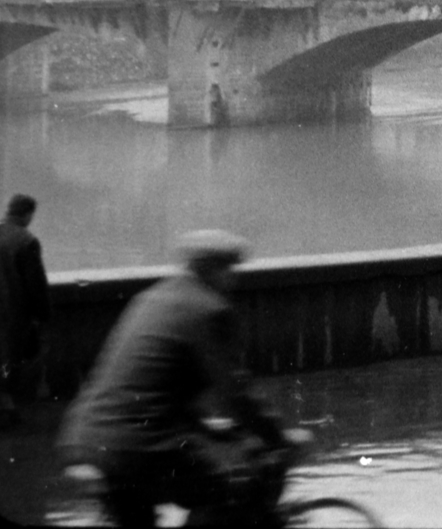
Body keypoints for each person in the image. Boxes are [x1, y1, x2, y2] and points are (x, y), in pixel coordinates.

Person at [59, 230, 294, 527]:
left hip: (87, 438)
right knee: (239, 484)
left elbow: (152, 383)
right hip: (139, 447)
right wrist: (280, 439)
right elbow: (235, 393)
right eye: (230, 269)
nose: (233, 279)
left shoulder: (150, 298)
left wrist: (205, 425)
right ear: (213, 269)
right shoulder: (210, 310)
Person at [0, 194, 51, 423]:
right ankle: (7, 409)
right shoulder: (26, 241)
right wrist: (43, 315)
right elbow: (35, 285)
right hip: (13, 315)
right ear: (28, 214)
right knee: (11, 360)